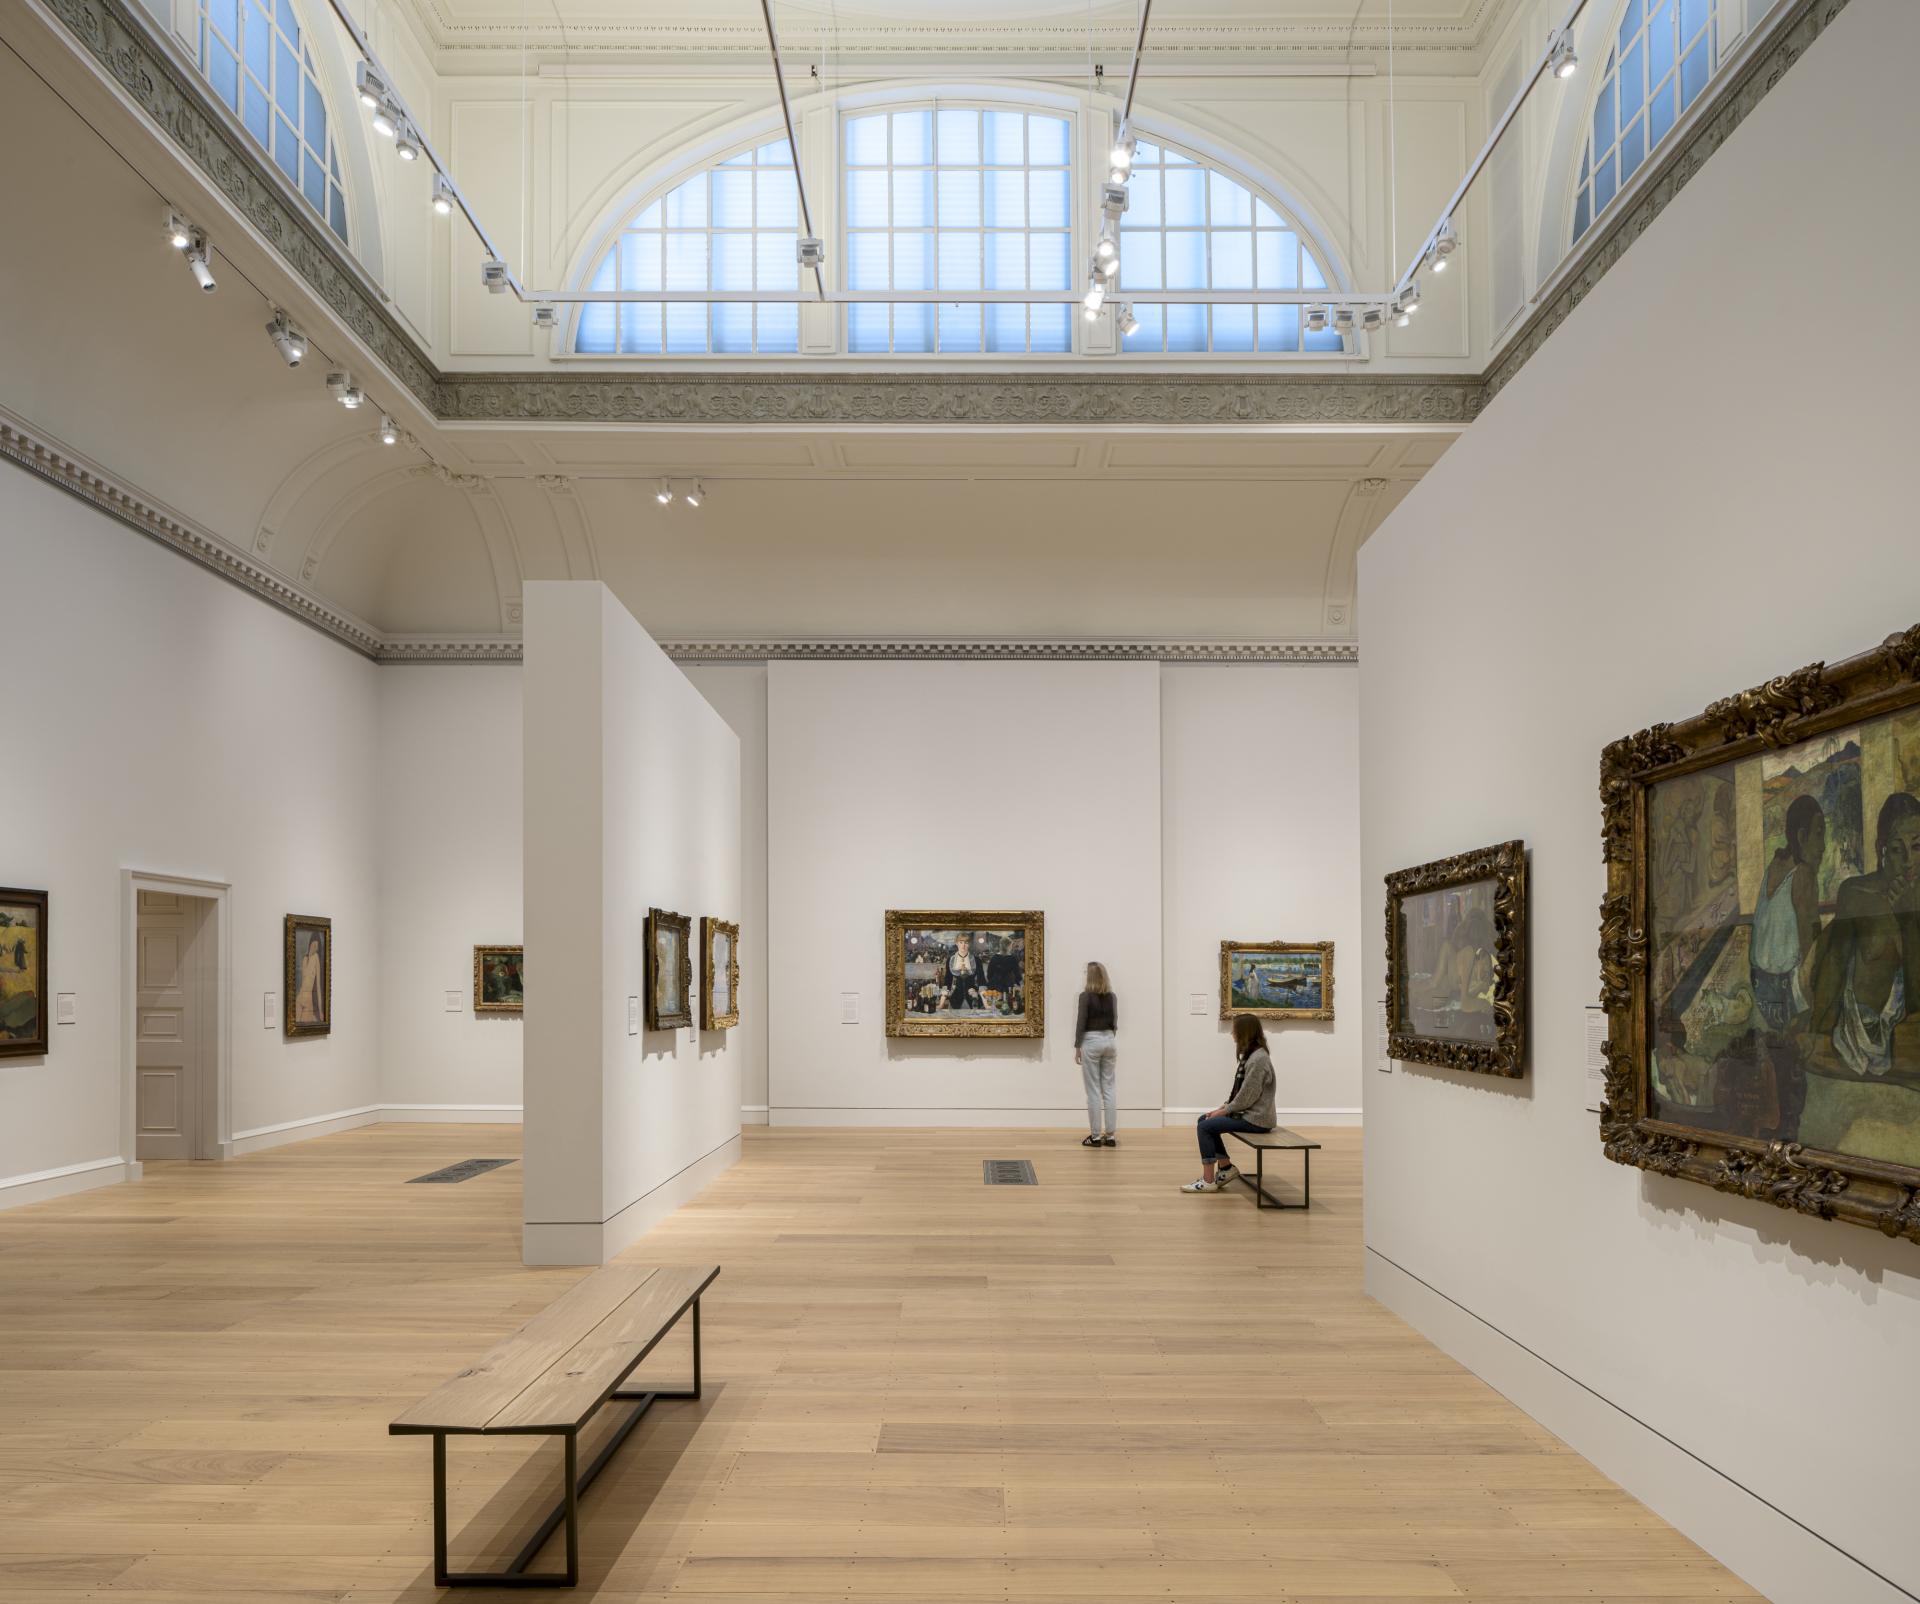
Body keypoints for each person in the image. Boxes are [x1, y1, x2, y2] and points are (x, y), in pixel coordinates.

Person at [1750, 794, 1825, 1032]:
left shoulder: (1775, 865)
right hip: (1785, 992)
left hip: (1760, 986)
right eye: (1819, 834)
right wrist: (1816, 1002)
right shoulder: (1804, 874)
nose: (1824, 845)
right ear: (1802, 837)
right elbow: (1810, 947)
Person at [1182, 1014, 1277, 1192]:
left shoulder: (1258, 1059)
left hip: (1258, 1119)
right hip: (1250, 1114)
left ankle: (1208, 1181)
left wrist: (1224, 1111)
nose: (1232, 1033)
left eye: (1235, 1029)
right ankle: (1225, 1168)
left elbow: (1247, 1097)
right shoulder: (1251, 1055)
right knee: (1205, 1120)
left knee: (1205, 1126)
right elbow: (1240, 1094)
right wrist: (1222, 1108)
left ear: (1244, 1032)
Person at [1075, 961, 1119, 1147]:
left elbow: (1081, 1022)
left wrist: (1078, 1046)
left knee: (1093, 1090)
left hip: (1091, 1041)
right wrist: (1109, 1036)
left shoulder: (1085, 996)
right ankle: (1110, 1136)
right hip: (1109, 1040)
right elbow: (1115, 1021)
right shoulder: (1112, 996)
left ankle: (1094, 1136)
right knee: (1108, 1088)